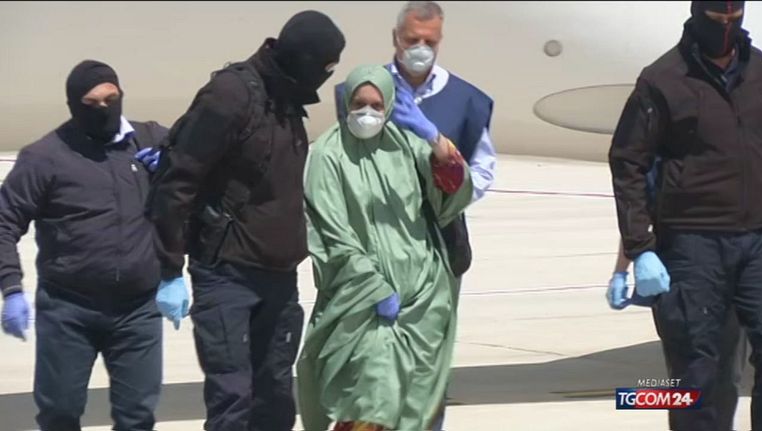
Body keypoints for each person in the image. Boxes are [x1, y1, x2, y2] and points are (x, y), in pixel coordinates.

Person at [145, 11, 345, 431]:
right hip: (227, 275)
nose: (326, 78)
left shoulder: (288, 99)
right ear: (305, 59)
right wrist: (170, 269)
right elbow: (178, 180)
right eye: (326, 67)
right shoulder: (231, 95)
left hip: (279, 277)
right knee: (232, 400)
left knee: (274, 400)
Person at [334, 4, 495, 427]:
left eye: (429, 42)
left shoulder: (468, 101)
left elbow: (483, 172)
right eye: (412, 40)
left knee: (428, 367)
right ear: (395, 38)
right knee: (368, 368)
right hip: (376, 253)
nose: (420, 49)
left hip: (439, 253)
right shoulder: (361, 94)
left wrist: (446, 191)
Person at [609, 1, 762, 429]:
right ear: (698, 15)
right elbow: (629, 164)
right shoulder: (662, 80)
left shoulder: (760, 72)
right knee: (696, 368)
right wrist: (638, 250)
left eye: (734, 19)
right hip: (692, 246)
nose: (727, 28)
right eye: (717, 20)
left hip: (758, 240)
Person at [297, 64, 473, 431]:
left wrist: (435, 140)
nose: (367, 113)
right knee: (370, 397)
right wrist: (373, 287)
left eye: (377, 106)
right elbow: (332, 232)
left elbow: (452, 191)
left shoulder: (406, 144)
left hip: (423, 298)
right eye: (359, 104)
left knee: (415, 405)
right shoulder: (328, 154)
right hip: (362, 299)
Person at [0, 60, 168, 431]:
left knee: (138, 416)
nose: (104, 109)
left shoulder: (150, 139)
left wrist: (174, 163)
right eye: (91, 104)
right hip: (68, 309)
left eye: (111, 99)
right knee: (59, 413)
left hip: (138, 309)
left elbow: (207, 155)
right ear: (74, 106)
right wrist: (11, 287)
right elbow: (4, 221)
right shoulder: (45, 157)